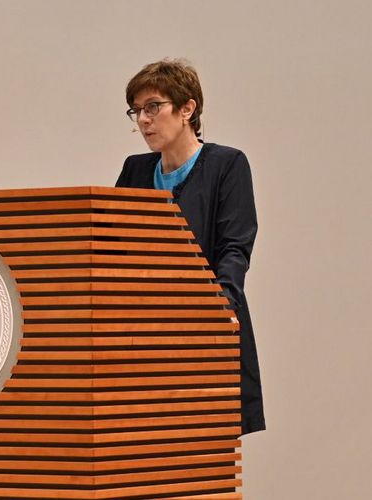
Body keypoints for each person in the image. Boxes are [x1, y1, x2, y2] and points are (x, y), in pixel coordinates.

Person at [115, 59, 266, 435]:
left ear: (187, 109)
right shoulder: (135, 170)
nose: (143, 120)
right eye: (136, 110)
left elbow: (234, 250)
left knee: (199, 458)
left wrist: (218, 316)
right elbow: (112, 247)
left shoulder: (227, 165)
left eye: (153, 106)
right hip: (142, 342)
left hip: (203, 337)